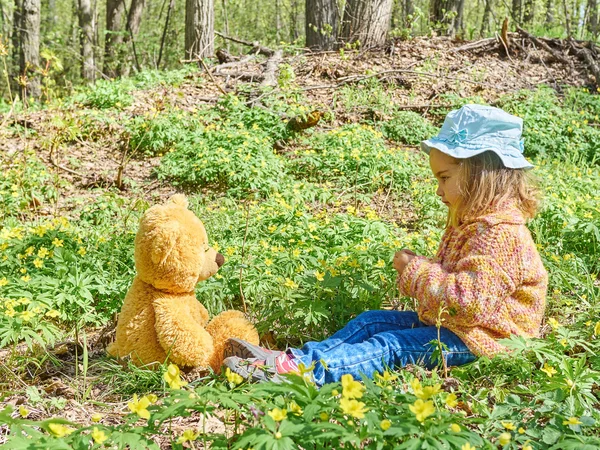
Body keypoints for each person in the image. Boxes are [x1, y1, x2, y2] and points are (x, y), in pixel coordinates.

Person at [222, 104, 548, 386]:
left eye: (444, 177)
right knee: (372, 320)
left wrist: (417, 271)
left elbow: (469, 303)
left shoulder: (501, 235)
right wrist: (423, 267)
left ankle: (303, 375)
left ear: (481, 173)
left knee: (391, 345)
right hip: (460, 328)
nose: (438, 190)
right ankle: (297, 359)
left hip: (487, 342)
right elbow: (460, 286)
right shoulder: (475, 224)